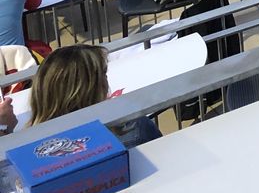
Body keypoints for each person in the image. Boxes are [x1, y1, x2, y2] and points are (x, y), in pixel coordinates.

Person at [23, 44, 162, 147]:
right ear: (90, 89)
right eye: (103, 73)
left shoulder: (24, 148)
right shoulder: (133, 128)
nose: (106, 80)